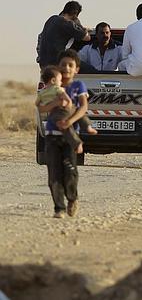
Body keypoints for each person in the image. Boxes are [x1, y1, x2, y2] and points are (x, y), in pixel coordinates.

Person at [37, 49, 90, 218]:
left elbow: (83, 107)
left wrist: (71, 120)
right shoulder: (51, 87)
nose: (66, 68)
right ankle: (58, 207)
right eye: (63, 65)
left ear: (76, 69)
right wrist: (55, 102)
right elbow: (41, 107)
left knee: (70, 171)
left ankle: (72, 198)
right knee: (54, 173)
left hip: (69, 137)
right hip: (52, 135)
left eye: (70, 65)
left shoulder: (78, 86)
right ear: (57, 68)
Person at [35, 66, 96, 154]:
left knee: (64, 126)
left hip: (56, 114)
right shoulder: (58, 89)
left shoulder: (42, 93)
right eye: (60, 80)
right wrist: (68, 105)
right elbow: (67, 99)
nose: (61, 82)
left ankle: (76, 142)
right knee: (79, 114)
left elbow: (37, 104)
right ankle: (87, 127)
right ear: (53, 81)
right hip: (64, 110)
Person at [37, 1, 91, 68]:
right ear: (75, 14)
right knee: (89, 69)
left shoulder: (51, 19)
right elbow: (87, 37)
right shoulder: (67, 23)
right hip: (57, 63)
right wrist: (83, 28)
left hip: (44, 64)